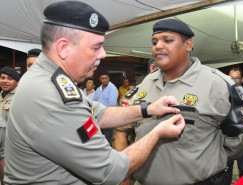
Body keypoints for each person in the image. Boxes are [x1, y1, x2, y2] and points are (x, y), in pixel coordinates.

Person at [3, 2, 186, 185]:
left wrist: (149, 109)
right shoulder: (52, 95)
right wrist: (157, 133)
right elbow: (111, 171)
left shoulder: (51, 78)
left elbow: (101, 113)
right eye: (96, 47)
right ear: (63, 48)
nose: (103, 54)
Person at [132, 18, 243, 185]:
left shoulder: (218, 84)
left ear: (188, 45)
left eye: (168, 40)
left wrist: (215, 157)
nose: (158, 46)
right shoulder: (147, 83)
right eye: (154, 42)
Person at [115, 59, 158, 185]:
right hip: (145, 171)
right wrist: (124, 178)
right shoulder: (134, 96)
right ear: (153, 68)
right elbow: (120, 134)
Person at [0, 67, 20, 185]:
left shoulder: (20, 96)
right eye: (2, 78)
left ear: (17, 82)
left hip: (13, 147)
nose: (5, 81)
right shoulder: (1, 96)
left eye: (10, 79)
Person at [93, 71, 118, 146]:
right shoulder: (98, 89)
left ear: (109, 78)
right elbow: (94, 103)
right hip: (97, 118)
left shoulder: (113, 88)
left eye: (106, 78)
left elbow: (112, 105)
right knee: (98, 139)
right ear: (99, 79)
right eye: (102, 78)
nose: (104, 80)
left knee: (107, 140)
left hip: (108, 117)